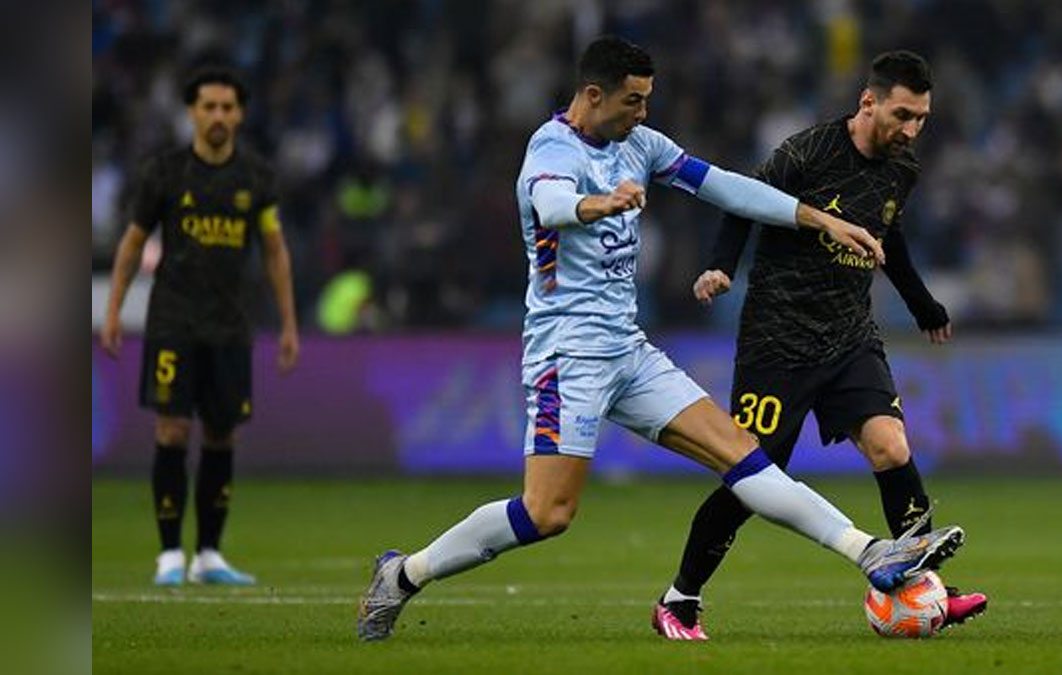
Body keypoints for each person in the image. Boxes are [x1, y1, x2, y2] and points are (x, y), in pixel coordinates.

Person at [357, 36, 964, 642]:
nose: (643, 112)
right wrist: (599, 205)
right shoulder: (551, 148)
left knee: (743, 455)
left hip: (628, 349)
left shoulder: (642, 145)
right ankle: (404, 573)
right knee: (548, 513)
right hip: (568, 355)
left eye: (647, 100)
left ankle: (869, 552)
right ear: (594, 95)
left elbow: (725, 187)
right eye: (634, 101)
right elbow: (550, 203)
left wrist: (819, 218)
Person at [651, 51, 988, 641]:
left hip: (850, 337)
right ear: (868, 102)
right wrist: (721, 266)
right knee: (753, 477)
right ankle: (680, 599)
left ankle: (927, 589)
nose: (912, 130)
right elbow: (741, 202)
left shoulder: (902, 168)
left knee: (891, 446)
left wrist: (922, 304)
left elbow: (890, 236)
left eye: (921, 119)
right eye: (903, 115)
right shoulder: (808, 152)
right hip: (777, 343)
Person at [100, 67, 300, 586]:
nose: (218, 116)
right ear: (191, 112)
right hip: (174, 322)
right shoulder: (165, 173)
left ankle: (209, 553)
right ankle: (169, 553)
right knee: (171, 428)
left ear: (240, 114)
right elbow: (132, 243)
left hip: (230, 327)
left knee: (222, 434)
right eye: (209, 106)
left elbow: (274, 250)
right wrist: (114, 309)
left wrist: (288, 322)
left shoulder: (255, 177)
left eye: (227, 107)